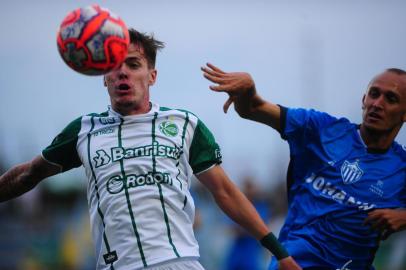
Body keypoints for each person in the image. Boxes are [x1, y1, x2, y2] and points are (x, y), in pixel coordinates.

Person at [0, 29, 301, 270]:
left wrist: (280, 252)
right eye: (114, 66)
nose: (123, 73)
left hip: (179, 263)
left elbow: (225, 192)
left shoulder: (184, 125)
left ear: (151, 76)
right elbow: (29, 173)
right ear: (104, 76)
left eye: (133, 64)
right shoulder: (84, 130)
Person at [201, 63, 406, 270]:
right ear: (364, 99)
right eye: (374, 94)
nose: (377, 103)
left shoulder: (401, 168)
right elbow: (253, 108)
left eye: (391, 99)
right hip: (295, 264)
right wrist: (247, 92)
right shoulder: (321, 129)